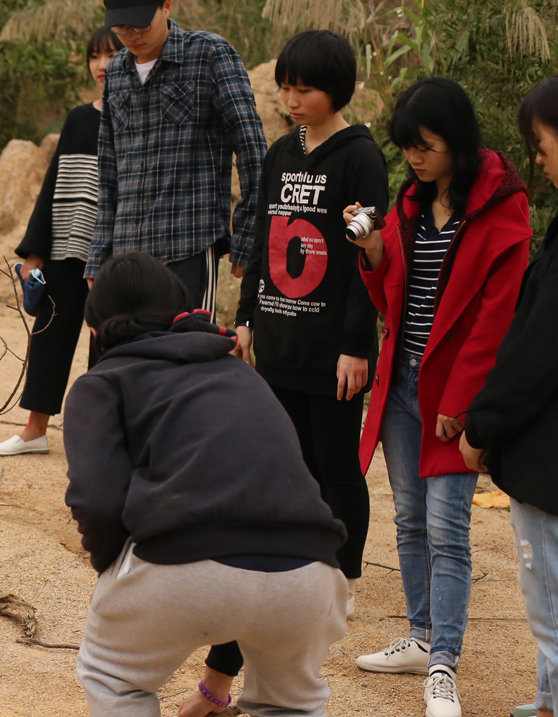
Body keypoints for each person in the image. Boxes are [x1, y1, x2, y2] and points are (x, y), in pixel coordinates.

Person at [65, 251, 347, 717]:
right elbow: (255, 538)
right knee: (292, 706)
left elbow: (99, 499)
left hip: (184, 562)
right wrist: (219, 678)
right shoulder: (239, 373)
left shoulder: (106, 382)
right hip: (311, 568)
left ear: (98, 331)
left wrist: (116, 569)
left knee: (113, 673)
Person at [347, 77, 531, 717]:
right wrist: (371, 252)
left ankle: (444, 662)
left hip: (453, 394)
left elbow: (495, 319)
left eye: (424, 146)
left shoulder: (503, 210)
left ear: (456, 140)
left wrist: (461, 399)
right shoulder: (411, 207)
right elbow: (390, 296)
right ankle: (421, 634)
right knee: (407, 520)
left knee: (450, 530)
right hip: (401, 385)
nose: (415, 159)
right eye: (408, 149)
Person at [458, 63, 558, 717]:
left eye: (543, 143)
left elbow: (539, 349)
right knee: (553, 606)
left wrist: (483, 425)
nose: (537, 158)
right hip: (556, 458)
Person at [235, 30, 387, 619]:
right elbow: (264, 238)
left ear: (337, 90)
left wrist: (356, 345)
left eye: (304, 90)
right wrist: (246, 319)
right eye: (285, 89)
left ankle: (342, 580)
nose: (291, 100)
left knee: (336, 464)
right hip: (278, 340)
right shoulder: (282, 152)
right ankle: (295, 564)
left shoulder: (360, 157)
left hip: (332, 351)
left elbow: (368, 261)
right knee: (288, 461)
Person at [84, 0, 268, 316]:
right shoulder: (116, 71)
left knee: (185, 356)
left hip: (188, 244)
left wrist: (248, 236)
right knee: (131, 360)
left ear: (166, 6)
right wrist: (100, 252)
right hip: (127, 254)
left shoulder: (209, 54)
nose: (131, 35)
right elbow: (109, 172)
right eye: (121, 27)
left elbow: (251, 146)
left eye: (141, 25)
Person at [0, 25, 121, 457]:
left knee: (107, 341)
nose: (101, 65)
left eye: (111, 55)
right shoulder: (79, 119)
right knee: (49, 334)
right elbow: (52, 188)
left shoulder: (139, 121)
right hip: (67, 248)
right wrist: (34, 253)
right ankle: (35, 430)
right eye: (94, 57)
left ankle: (97, 437)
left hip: (116, 254)